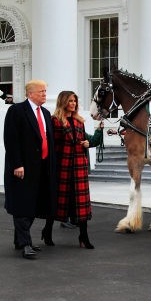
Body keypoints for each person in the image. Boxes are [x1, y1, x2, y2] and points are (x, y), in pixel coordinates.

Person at [39, 91, 104, 249]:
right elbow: (51, 145)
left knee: (81, 203)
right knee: (58, 201)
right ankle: (47, 230)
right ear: (63, 102)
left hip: (79, 167)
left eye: (74, 101)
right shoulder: (55, 121)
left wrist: (96, 133)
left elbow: (87, 140)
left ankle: (84, 236)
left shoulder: (79, 121)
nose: (73, 104)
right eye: (70, 101)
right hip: (63, 166)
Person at [3, 80, 56, 259]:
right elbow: (11, 140)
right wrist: (17, 164)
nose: (44, 94)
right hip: (22, 168)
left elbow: (48, 140)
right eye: (41, 91)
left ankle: (20, 241)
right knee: (22, 206)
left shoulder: (46, 113)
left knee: (34, 205)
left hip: (42, 167)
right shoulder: (16, 111)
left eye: (45, 91)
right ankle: (25, 243)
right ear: (30, 93)